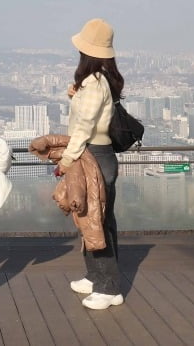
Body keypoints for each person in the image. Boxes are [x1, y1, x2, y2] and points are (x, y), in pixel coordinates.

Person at [59, 18, 124, 310]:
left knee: (96, 222)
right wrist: (75, 94)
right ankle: (95, 276)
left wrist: (66, 158)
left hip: (93, 155)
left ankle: (108, 288)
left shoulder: (95, 82)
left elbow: (84, 126)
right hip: (97, 154)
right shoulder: (97, 81)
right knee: (93, 219)